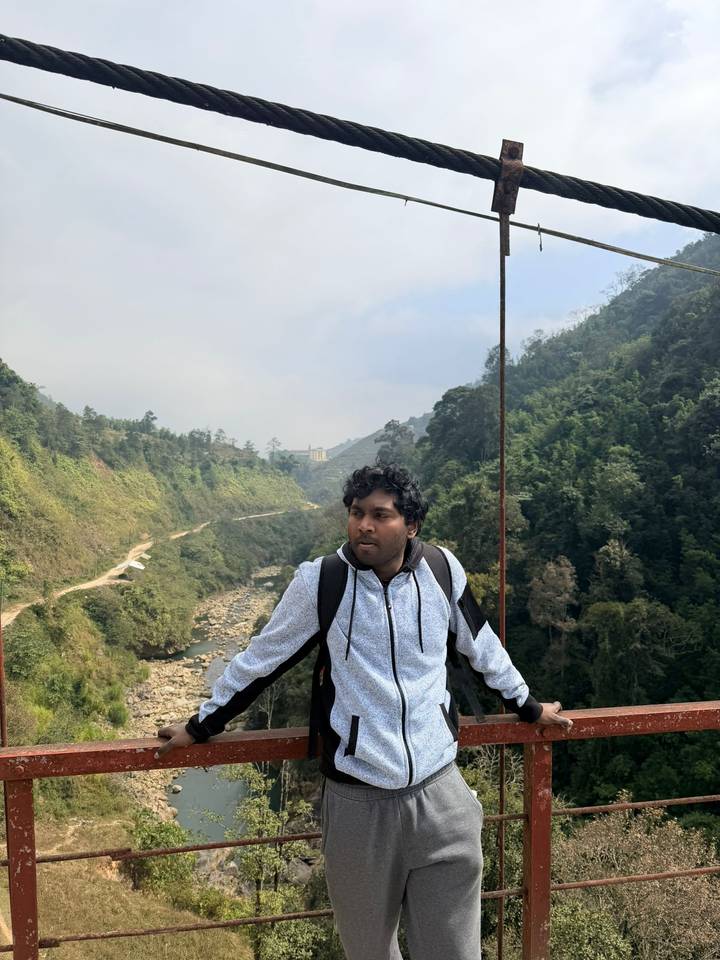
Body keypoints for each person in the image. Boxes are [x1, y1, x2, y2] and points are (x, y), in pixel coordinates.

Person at [157, 464, 572, 960]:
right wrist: (202, 726)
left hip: (442, 795)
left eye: (380, 515)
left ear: (410, 525)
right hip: (359, 806)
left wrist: (527, 706)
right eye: (356, 513)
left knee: (456, 952)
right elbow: (261, 659)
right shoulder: (322, 582)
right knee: (369, 952)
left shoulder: (442, 570)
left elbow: (480, 645)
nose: (364, 526)